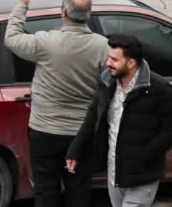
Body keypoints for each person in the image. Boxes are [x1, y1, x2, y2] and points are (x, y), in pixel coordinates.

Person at [4, 0, 107, 207]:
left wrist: (23, 3)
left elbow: (11, 38)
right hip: (81, 135)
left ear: (63, 13)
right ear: (88, 15)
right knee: (78, 192)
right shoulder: (103, 47)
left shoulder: (46, 42)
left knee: (45, 190)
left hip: (44, 131)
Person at [66, 35, 172, 207]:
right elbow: (93, 116)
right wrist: (75, 150)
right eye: (109, 57)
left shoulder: (158, 89)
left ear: (131, 63)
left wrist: (146, 154)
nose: (108, 63)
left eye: (115, 59)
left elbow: (169, 130)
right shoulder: (107, 82)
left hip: (143, 176)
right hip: (115, 172)